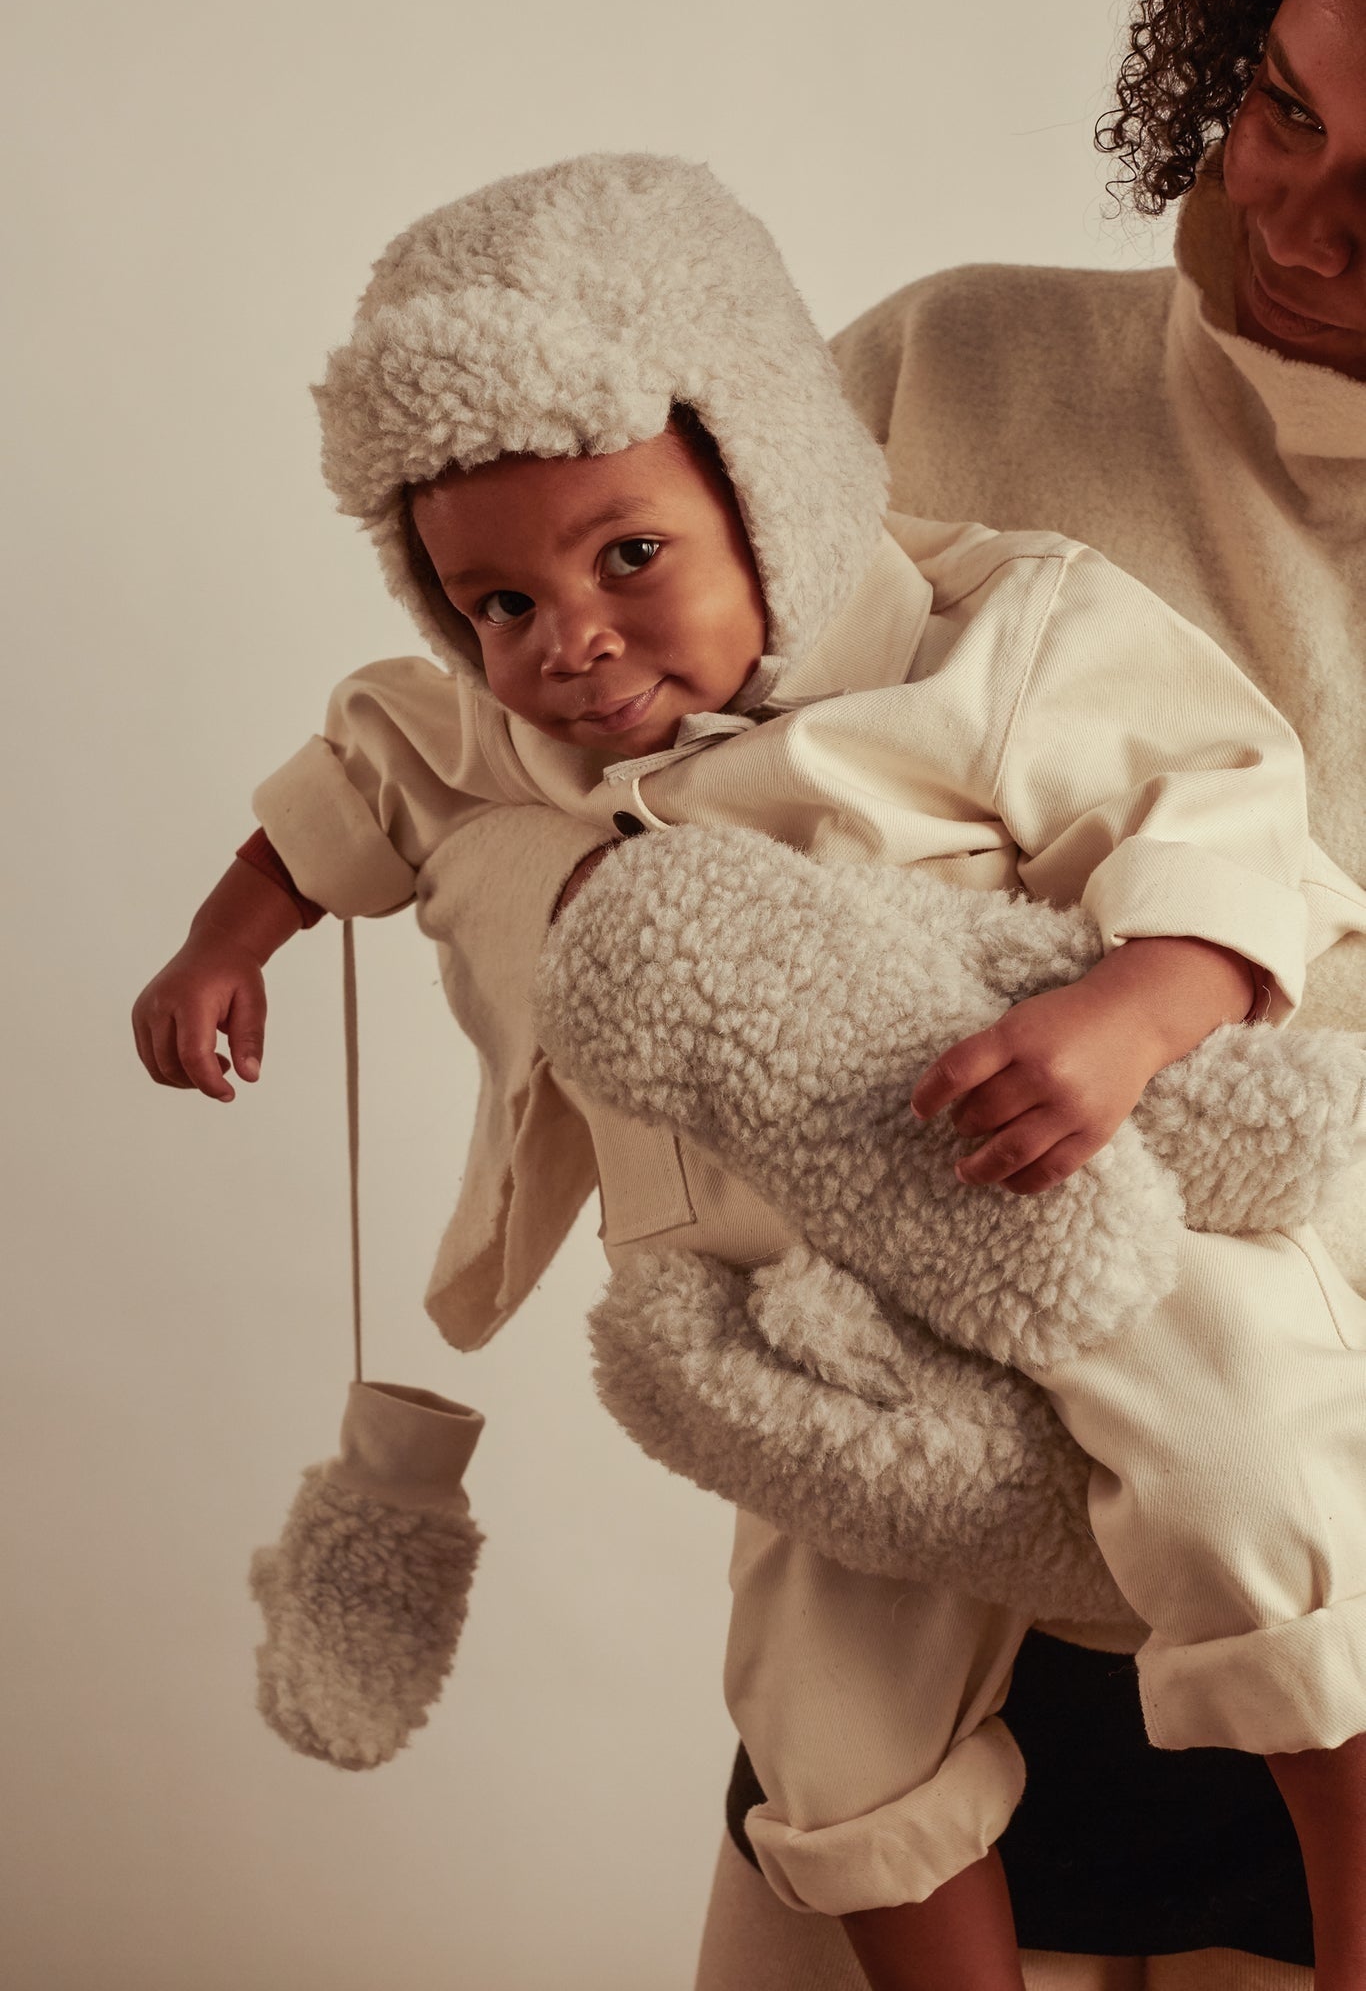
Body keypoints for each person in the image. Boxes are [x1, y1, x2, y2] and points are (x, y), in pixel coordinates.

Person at [129, 151, 1366, 1991]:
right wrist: (228, 937)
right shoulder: (503, 729)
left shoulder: (997, 637)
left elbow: (1228, 809)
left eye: (629, 557)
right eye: (494, 604)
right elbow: (366, 774)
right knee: (815, 1694)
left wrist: (1132, 1008)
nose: (573, 645)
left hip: (1062, 1213)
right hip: (797, 1314)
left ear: (770, 487)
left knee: (1250, 1470)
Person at [692, 0, 1366, 1984]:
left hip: (1313, 1573)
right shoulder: (944, 374)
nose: (1291, 218)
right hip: (913, 1553)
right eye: (1279, 107)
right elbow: (608, 736)